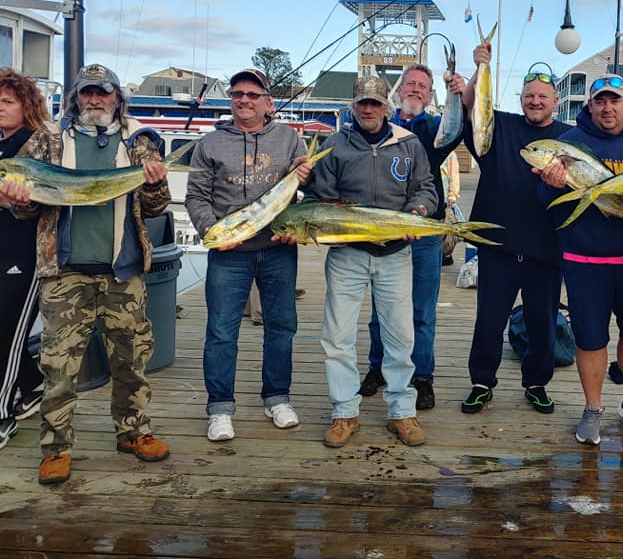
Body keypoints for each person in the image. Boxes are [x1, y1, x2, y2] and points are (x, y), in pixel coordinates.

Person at [0, 63, 171, 485]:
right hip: (65, 272)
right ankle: (56, 448)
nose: (95, 99)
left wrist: (152, 184)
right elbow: (27, 207)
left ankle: (133, 431)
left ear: (117, 97)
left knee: (131, 360)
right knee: (59, 367)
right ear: (76, 97)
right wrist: (17, 198)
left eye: (103, 92)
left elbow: (156, 208)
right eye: (87, 92)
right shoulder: (48, 140)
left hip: (123, 271)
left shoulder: (139, 143)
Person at [299, 73, 437, 448]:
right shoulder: (335, 146)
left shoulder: (408, 144)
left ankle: (401, 410)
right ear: (353, 106)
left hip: (396, 252)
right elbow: (320, 197)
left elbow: (425, 189)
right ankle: (345, 411)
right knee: (337, 336)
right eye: (362, 103)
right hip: (348, 255)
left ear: (386, 107)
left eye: (375, 103)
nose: (369, 109)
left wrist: (417, 213)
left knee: (401, 336)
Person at [537, 75, 623, 444]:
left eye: (614, 100)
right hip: (584, 261)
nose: (607, 108)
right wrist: (550, 183)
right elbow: (545, 206)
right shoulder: (567, 145)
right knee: (590, 340)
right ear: (590, 106)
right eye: (600, 102)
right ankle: (593, 408)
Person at [185, 68, 309, 443]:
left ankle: (277, 397)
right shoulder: (209, 144)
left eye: (253, 94)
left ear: (268, 103)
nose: (244, 99)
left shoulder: (290, 139)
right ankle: (220, 408)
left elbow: (304, 194)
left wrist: (297, 215)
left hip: (277, 249)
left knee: (281, 327)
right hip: (230, 252)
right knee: (221, 331)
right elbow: (195, 197)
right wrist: (213, 232)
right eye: (237, 93)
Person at [458, 47, 567, 415]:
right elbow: (470, 106)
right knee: (488, 318)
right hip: (497, 245)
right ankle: (481, 381)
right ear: (520, 100)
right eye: (529, 96)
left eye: (542, 96)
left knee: (543, 321)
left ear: (555, 101)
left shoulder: (570, 137)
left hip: (546, 248)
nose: (535, 101)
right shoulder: (499, 125)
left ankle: (536, 382)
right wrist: (480, 67)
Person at [358, 63, 464, 410]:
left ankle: (423, 376)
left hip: (424, 233)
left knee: (422, 310)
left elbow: (460, 127)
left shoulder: (434, 127)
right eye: (411, 84)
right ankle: (378, 367)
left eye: (423, 85)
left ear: (430, 93)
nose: (416, 89)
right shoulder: (382, 125)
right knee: (380, 308)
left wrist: (457, 90)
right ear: (399, 89)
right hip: (384, 235)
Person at [0, 69, 51, 449]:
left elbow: (47, 199)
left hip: (26, 252)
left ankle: (3, 416)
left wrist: (20, 200)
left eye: (7, 102)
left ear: (26, 106)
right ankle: (32, 387)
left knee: (7, 333)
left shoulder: (39, 145)